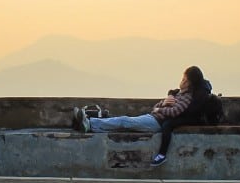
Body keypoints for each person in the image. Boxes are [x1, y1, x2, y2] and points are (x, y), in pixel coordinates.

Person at [71, 66, 211, 167]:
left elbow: (174, 112)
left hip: (156, 122)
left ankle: (90, 123)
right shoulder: (178, 94)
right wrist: (161, 104)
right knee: (124, 123)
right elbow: (159, 106)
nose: (181, 81)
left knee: (124, 121)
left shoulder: (186, 98)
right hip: (153, 117)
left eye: (184, 79)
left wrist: (159, 108)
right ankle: (90, 123)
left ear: (189, 83)